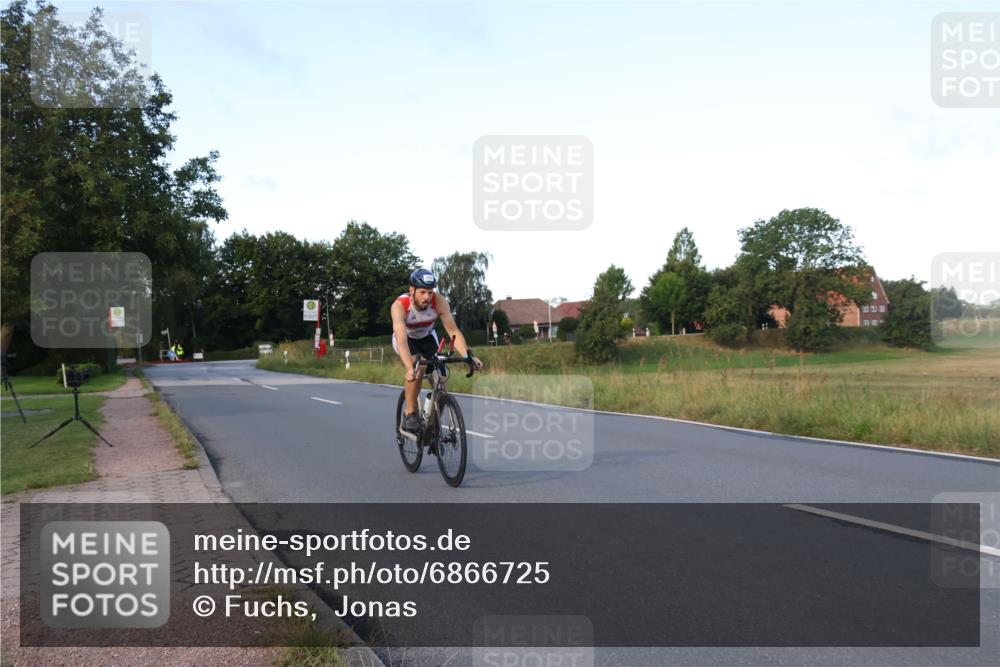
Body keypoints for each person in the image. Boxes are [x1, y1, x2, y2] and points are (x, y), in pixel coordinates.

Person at [391, 268, 483, 435]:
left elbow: (453, 330)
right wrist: (409, 368)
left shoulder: (438, 301)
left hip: (427, 336)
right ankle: (410, 412)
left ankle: (432, 419)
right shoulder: (399, 306)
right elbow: (402, 341)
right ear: (412, 290)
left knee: (442, 373)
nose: (427, 297)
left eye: (430, 292)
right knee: (419, 369)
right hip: (406, 338)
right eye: (422, 292)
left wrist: (468, 356)